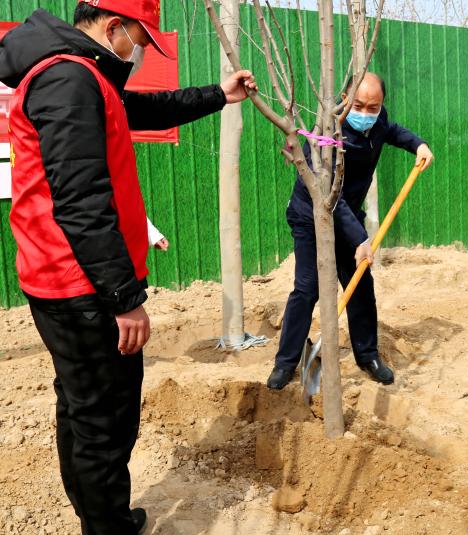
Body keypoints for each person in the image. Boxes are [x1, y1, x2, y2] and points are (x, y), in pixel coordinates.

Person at [0, 1, 257, 533]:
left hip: (67, 278)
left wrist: (219, 94)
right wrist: (124, 298)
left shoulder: (79, 75)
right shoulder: (68, 80)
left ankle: (103, 517)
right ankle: (107, 526)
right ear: (113, 26)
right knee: (105, 422)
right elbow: (81, 203)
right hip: (82, 287)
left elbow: (142, 109)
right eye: (139, 41)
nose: (138, 53)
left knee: (83, 410)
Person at [267, 72, 434, 390]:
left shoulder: (378, 120)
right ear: (344, 98)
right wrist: (360, 239)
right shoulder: (326, 135)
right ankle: (285, 363)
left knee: (360, 286)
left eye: (373, 107)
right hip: (311, 215)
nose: (366, 114)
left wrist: (418, 145)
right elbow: (331, 196)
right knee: (307, 288)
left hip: (348, 215)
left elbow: (392, 130)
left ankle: (367, 356)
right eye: (358, 106)